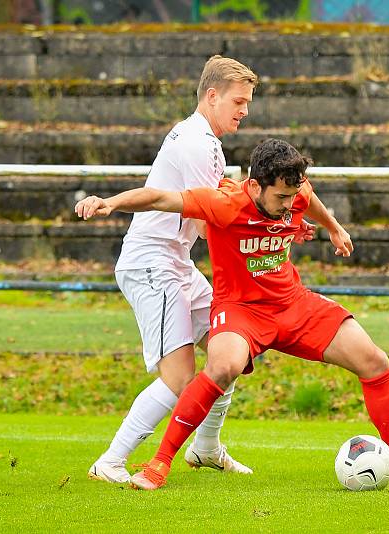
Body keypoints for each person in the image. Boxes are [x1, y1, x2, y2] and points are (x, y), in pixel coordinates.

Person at [75, 138, 389, 490]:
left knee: (374, 360)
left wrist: (334, 229)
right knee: (223, 367)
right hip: (240, 311)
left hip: (292, 305)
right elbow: (158, 197)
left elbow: (308, 198)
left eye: (292, 195)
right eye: (281, 197)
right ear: (255, 187)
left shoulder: (295, 191)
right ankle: (159, 464)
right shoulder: (224, 203)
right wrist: (111, 202)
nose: (289, 204)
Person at [85, 55, 259, 483]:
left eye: (248, 103)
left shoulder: (207, 142)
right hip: (152, 264)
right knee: (181, 377)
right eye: (238, 101)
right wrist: (263, 237)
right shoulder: (196, 143)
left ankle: (205, 449)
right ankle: (109, 462)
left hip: (176, 263)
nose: (244, 110)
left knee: (228, 352)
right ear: (212, 96)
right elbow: (208, 220)